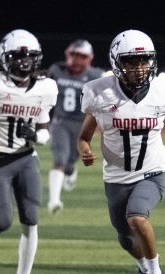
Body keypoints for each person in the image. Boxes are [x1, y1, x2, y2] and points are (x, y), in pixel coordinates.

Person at [78, 29, 165, 274]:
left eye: (144, 61)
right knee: (125, 238)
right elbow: (84, 136)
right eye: (131, 62)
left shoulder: (163, 91)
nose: (139, 68)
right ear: (116, 62)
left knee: (137, 217)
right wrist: (84, 150)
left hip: (152, 172)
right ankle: (143, 269)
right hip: (116, 178)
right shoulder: (99, 93)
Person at [0, 29, 57, 274]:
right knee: (1, 222)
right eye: (18, 57)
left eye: (29, 57)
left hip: (26, 158)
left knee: (31, 221)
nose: (24, 62)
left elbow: (46, 132)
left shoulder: (45, 88)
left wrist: (35, 135)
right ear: (4, 59)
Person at [47, 39, 105, 213]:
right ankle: (54, 200)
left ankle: (71, 170)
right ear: (68, 55)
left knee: (71, 160)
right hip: (60, 122)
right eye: (74, 55)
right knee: (60, 158)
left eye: (82, 56)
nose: (77, 60)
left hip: (82, 123)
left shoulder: (96, 76)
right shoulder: (56, 70)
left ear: (90, 58)